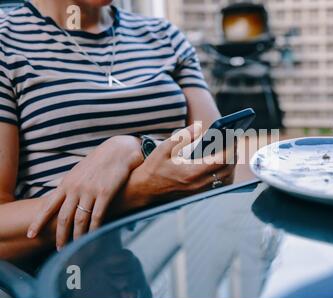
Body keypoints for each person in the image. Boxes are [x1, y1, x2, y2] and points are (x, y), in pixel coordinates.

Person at [0, 0, 236, 263]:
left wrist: (132, 148)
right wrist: (138, 191)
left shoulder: (164, 36)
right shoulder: (6, 41)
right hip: (71, 272)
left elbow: (218, 162)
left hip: (176, 253)